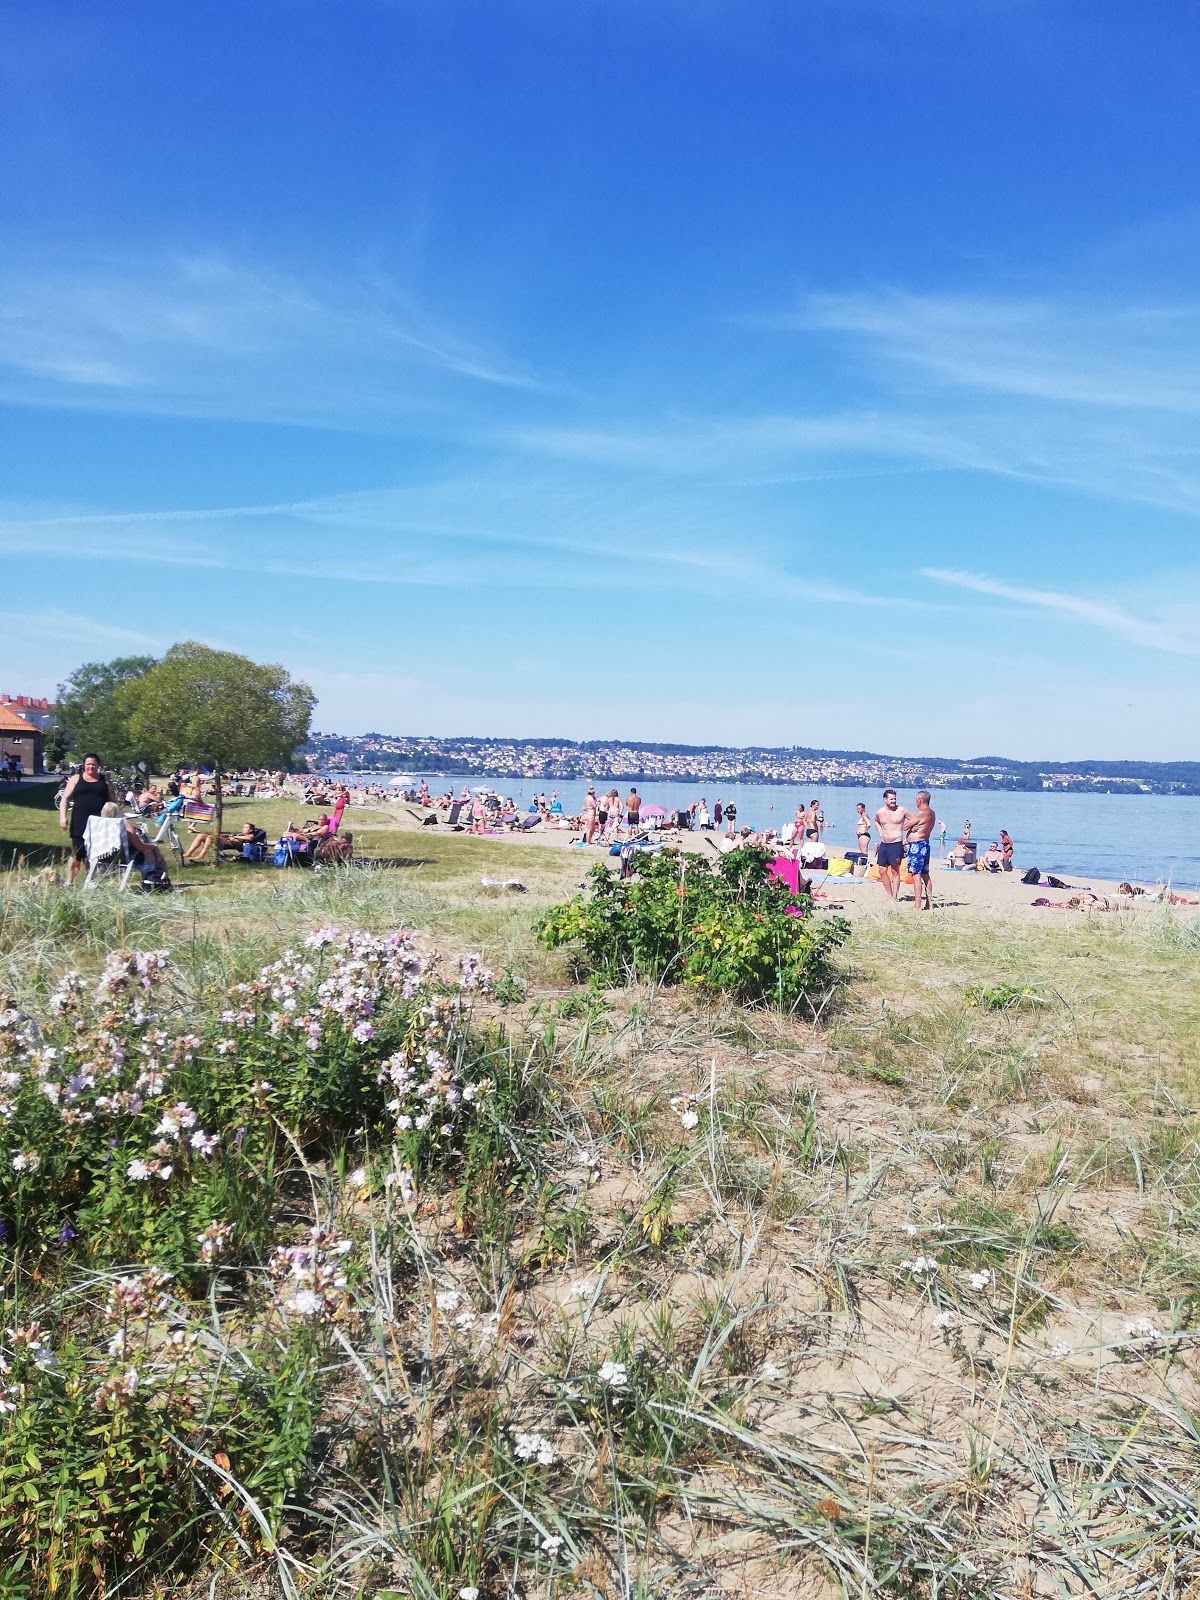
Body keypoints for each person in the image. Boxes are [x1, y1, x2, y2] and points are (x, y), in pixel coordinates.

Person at [59, 754, 119, 885]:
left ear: (98, 766)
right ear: (84, 765)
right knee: (77, 853)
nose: (91, 766)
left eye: (93, 764)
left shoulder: (104, 780)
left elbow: (113, 801)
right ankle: (70, 883)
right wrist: (63, 817)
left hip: (100, 823)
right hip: (79, 821)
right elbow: (65, 799)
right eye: (88, 764)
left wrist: (117, 817)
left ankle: (90, 881)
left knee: (95, 854)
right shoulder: (76, 779)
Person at [873, 788, 914, 900]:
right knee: (882, 870)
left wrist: (908, 836)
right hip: (884, 844)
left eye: (894, 799)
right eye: (891, 799)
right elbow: (876, 821)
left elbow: (914, 821)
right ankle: (889, 894)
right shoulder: (880, 812)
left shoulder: (902, 810)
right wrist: (880, 833)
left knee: (895, 871)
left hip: (896, 844)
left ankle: (894, 896)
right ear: (885, 799)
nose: (893, 801)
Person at [904, 791, 936, 911]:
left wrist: (910, 827)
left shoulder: (921, 813)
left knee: (916, 874)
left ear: (920, 800)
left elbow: (904, 827)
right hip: (925, 844)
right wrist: (913, 827)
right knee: (925, 874)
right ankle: (929, 903)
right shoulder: (932, 813)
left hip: (917, 846)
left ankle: (917, 905)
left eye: (916, 799)